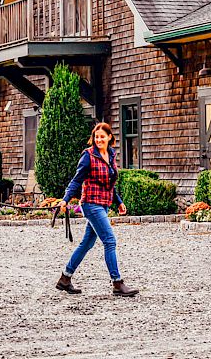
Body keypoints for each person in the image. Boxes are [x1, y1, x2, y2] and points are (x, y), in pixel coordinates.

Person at [56, 122, 139, 297]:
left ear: (110, 137)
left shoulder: (110, 155)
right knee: (110, 241)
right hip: (91, 204)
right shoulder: (88, 156)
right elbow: (76, 180)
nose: (99, 139)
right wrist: (65, 199)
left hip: (104, 204)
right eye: (96, 136)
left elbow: (110, 183)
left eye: (102, 136)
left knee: (87, 243)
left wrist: (118, 202)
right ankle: (117, 283)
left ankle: (65, 278)